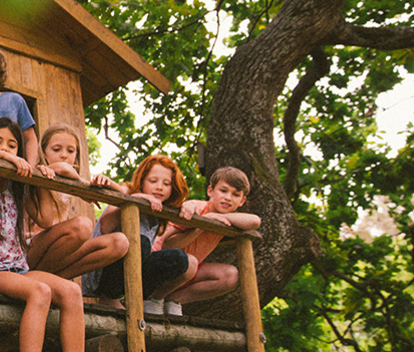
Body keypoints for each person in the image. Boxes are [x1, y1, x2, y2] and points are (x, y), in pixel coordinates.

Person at [0, 117, 85, 352]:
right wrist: (5, 157)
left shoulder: (16, 186)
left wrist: (40, 179)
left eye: (12, 145)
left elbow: (45, 219)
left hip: (18, 271)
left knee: (72, 292)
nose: (4, 148)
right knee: (40, 292)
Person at [83, 155, 201, 314]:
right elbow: (106, 227)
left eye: (166, 184)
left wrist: (190, 205)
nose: (159, 187)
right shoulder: (127, 191)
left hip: (131, 271)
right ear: (141, 181)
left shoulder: (159, 213)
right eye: (153, 181)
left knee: (179, 258)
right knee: (141, 243)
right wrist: (135, 199)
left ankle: (146, 299)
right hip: (101, 270)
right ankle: (110, 298)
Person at [26, 125, 128, 280]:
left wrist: (110, 183)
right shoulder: (39, 172)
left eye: (70, 151)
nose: (64, 155)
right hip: (30, 249)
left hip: (57, 252)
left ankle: (53, 278)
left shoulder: (69, 180)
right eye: (56, 149)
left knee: (120, 242)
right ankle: (34, 276)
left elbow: (125, 195)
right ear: (44, 151)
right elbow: (64, 168)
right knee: (83, 226)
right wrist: (82, 186)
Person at [156, 167, 261, 315]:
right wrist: (202, 224)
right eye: (223, 191)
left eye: (235, 194)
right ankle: (154, 298)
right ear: (210, 191)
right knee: (189, 262)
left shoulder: (225, 218)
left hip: (186, 273)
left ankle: (174, 299)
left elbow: (254, 221)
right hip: (161, 267)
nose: (228, 197)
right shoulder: (197, 207)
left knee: (230, 275)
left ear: (242, 201)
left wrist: (217, 219)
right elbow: (167, 245)